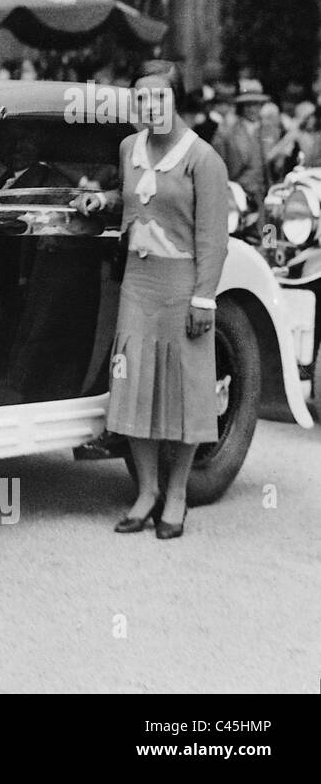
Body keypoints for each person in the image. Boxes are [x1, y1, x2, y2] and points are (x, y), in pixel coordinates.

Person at [73, 61, 229, 539]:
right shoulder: (128, 147)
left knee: (182, 393)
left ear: (176, 100)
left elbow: (213, 238)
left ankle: (176, 495)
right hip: (137, 285)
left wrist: (204, 299)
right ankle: (145, 491)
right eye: (141, 99)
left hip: (181, 288)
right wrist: (104, 202)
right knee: (133, 385)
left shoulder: (203, 159)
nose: (149, 107)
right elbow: (137, 198)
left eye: (159, 98)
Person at [212, 90, 275, 212]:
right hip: (237, 191)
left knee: (267, 228)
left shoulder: (268, 129)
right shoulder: (228, 130)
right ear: (241, 107)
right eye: (248, 105)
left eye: (256, 105)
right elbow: (217, 162)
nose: (252, 109)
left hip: (263, 192)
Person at [268, 103, 321, 170]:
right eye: (307, 118)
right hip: (305, 170)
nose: (311, 120)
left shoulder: (318, 134)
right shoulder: (297, 133)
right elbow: (280, 147)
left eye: (312, 116)